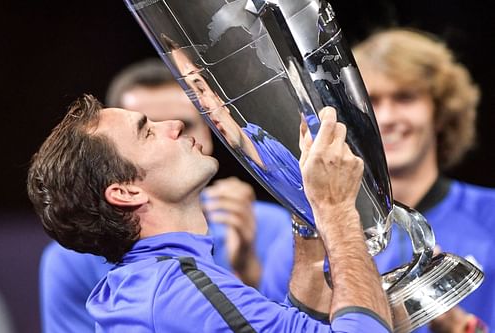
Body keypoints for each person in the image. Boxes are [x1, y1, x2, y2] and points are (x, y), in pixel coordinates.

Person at [28, 90, 392, 331]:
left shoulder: (151, 283)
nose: (173, 125)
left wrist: (308, 214)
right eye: (146, 132)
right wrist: (337, 210)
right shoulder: (175, 292)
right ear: (126, 191)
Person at [261, 28, 494, 332]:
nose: (386, 117)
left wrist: (464, 328)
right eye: (371, 102)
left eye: (405, 98)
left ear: (441, 110)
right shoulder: (310, 240)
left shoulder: (490, 217)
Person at [38, 59, 292, 332]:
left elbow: (293, 322)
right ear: (121, 182)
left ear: (208, 130)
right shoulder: (76, 265)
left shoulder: (276, 225)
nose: (174, 127)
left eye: (188, 122)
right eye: (147, 130)